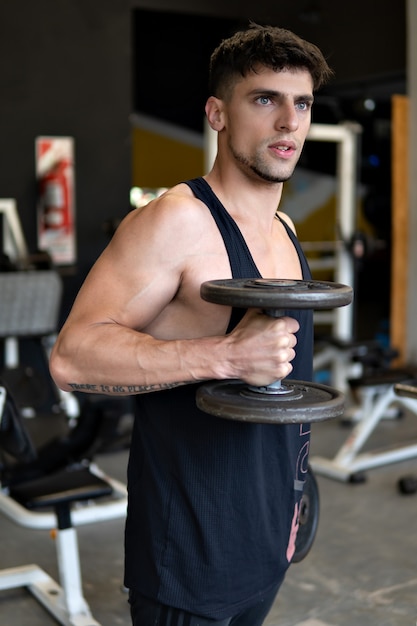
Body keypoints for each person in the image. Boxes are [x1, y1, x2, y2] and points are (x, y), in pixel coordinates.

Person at [50, 22, 333, 626]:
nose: (289, 122)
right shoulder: (175, 222)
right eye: (265, 99)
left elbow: (284, 393)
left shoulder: (283, 230)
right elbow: (72, 358)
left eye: (301, 103)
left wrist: (294, 497)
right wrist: (227, 355)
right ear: (217, 112)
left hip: (267, 536)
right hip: (189, 558)